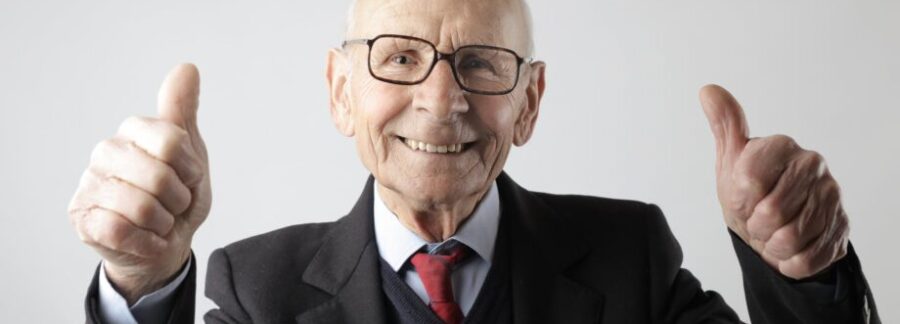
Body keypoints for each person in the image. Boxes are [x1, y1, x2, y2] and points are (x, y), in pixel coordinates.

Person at [69, 0, 880, 323]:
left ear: (528, 103)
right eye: (398, 58)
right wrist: (141, 286)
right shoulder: (257, 289)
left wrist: (806, 274)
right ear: (340, 91)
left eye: (483, 64)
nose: (440, 99)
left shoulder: (631, 258)